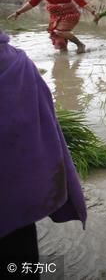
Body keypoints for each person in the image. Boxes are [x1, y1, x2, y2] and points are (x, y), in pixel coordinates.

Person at [0, 30, 87, 272]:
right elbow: (46, 131)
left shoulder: (17, 65)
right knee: (18, 260)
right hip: (14, 207)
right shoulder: (17, 64)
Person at [7, 0, 98, 53]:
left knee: (60, 31)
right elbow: (33, 3)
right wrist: (18, 12)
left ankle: (80, 44)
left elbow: (80, 2)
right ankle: (64, 60)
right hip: (55, 16)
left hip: (70, 14)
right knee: (59, 41)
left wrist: (93, 12)